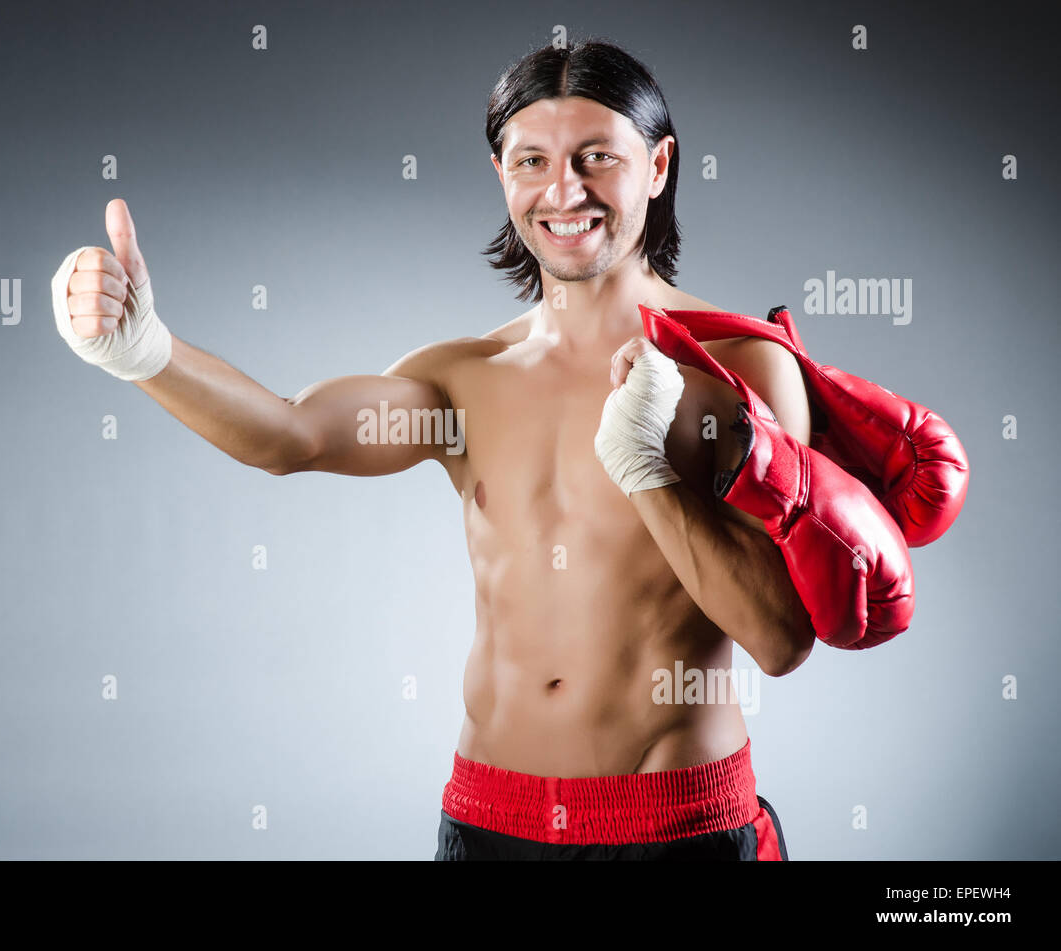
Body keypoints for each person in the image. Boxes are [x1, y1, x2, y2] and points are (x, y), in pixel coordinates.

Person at [50, 39, 812, 861]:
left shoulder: (741, 367)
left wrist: (647, 472)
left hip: (674, 826)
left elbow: (780, 638)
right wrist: (144, 350)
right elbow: (290, 434)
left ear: (658, 166)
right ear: (501, 174)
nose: (565, 190)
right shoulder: (465, 378)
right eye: (533, 160)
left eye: (598, 157)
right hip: (489, 824)